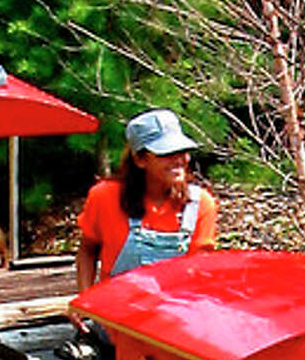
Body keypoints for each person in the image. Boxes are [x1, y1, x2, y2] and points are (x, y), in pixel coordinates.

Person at [75, 109, 216, 290]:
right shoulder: (104, 197)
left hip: (175, 312)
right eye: (167, 154)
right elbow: (87, 249)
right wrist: (83, 301)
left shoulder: (200, 205)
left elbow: (202, 273)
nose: (179, 160)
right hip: (115, 313)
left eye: (182, 151)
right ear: (140, 160)